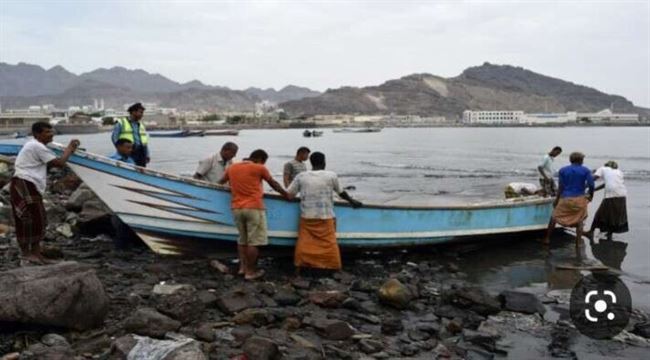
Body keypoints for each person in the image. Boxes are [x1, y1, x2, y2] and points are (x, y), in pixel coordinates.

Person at [10, 122, 80, 265]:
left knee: (38, 219)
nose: (51, 134)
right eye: (47, 132)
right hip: (25, 183)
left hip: (29, 184)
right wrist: (70, 149)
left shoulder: (37, 146)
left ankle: (35, 253)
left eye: (51, 131)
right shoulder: (36, 146)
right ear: (37, 134)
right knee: (28, 219)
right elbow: (59, 163)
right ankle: (26, 253)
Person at [218, 149, 288, 280]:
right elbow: (274, 184)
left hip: (236, 208)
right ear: (261, 159)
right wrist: (286, 195)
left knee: (242, 239)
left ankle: (242, 268)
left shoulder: (232, 167)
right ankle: (250, 272)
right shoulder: (259, 168)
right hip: (254, 207)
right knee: (253, 241)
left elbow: (219, 183)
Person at [287, 152, 362, 274]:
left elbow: (289, 194)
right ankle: (333, 266)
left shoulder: (301, 176)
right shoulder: (331, 175)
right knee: (329, 244)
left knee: (304, 242)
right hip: (325, 216)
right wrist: (352, 201)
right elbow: (341, 192)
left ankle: (301, 265)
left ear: (310, 162)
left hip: (307, 216)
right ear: (324, 162)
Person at [543, 152, 594, 246]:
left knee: (554, 217)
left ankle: (547, 239)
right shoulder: (585, 170)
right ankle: (578, 243)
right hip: (579, 198)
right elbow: (591, 184)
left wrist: (557, 200)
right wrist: (591, 195)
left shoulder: (563, 170)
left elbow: (561, 187)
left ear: (571, 160)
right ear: (581, 160)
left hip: (565, 198)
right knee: (580, 220)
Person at [107, 139, 138, 249]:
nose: (130, 150)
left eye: (131, 147)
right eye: (127, 147)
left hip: (129, 193)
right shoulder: (110, 160)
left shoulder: (130, 161)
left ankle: (128, 243)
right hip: (116, 193)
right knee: (119, 219)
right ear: (119, 147)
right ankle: (120, 246)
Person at [586, 161, 628, 240]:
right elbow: (607, 184)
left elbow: (592, 179)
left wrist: (583, 186)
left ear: (606, 165)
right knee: (614, 215)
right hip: (622, 195)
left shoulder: (603, 168)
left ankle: (591, 232)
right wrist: (594, 189)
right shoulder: (619, 172)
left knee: (599, 213)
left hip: (612, 195)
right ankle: (609, 233)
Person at [112, 102, 149, 167]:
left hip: (141, 152)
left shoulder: (141, 125)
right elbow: (114, 138)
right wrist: (120, 152)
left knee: (141, 172)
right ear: (133, 112)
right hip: (128, 151)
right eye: (140, 112)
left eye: (142, 113)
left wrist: (147, 154)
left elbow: (144, 142)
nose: (142, 115)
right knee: (129, 169)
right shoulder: (121, 123)